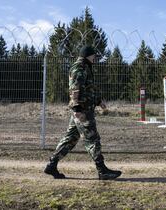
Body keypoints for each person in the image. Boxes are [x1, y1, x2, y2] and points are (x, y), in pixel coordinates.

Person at [44, 45, 122, 180]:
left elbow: (88, 88)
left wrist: (98, 101)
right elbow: (75, 89)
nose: (95, 58)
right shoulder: (79, 68)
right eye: (94, 56)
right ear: (87, 55)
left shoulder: (85, 67)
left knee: (71, 138)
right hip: (82, 110)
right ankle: (102, 170)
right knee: (92, 138)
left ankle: (52, 165)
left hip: (82, 108)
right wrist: (77, 109)